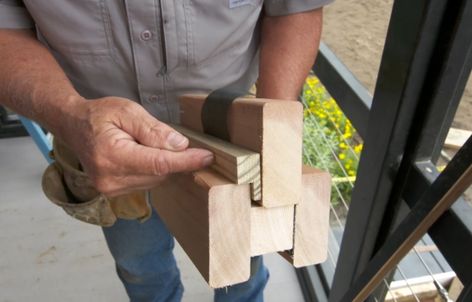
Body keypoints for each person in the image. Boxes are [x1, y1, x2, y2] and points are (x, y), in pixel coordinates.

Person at [0, 1, 331, 301]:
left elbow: (294, 8)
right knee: (141, 268)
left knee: (240, 267)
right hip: (103, 144)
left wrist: (270, 133)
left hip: (228, 133)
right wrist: (71, 115)